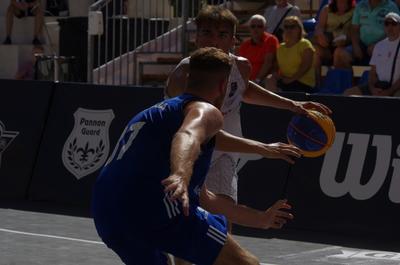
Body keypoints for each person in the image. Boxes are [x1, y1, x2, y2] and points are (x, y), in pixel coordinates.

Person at [91, 47, 294, 265]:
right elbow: (188, 136)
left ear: (189, 78)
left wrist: (260, 219)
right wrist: (180, 174)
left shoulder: (161, 113)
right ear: (223, 85)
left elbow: (207, 197)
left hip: (106, 211)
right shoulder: (206, 111)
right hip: (152, 208)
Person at [344, 12, 400, 97]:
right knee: (348, 94)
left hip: (396, 88)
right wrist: (373, 89)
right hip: (379, 87)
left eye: (394, 24)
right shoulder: (379, 46)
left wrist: (389, 91)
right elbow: (372, 73)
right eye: (387, 24)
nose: (390, 27)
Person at [333, 0, 399, 69]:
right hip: (362, 45)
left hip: (384, 45)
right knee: (339, 54)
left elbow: (395, 31)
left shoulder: (391, 7)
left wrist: (378, 45)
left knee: (378, 53)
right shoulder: (360, 6)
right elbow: (354, 29)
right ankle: (351, 79)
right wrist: (356, 46)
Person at [265, 16, 317, 93]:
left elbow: (305, 66)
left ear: (299, 29)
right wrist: (279, 77)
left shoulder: (305, 44)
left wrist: (291, 79)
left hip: (303, 83)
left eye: (292, 27)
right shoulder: (280, 48)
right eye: (286, 27)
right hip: (286, 81)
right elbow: (276, 68)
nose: (289, 30)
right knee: (270, 79)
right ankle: (273, 104)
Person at [312, 0, 355, 80]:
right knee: (314, 51)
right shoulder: (327, 9)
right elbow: (319, 27)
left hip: (345, 45)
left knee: (338, 53)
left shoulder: (355, 10)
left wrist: (346, 40)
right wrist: (320, 35)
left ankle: (338, 85)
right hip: (328, 44)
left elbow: (355, 30)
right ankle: (317, 84)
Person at [238, 14, 279, 85]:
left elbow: (268, 63)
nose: (256, 29)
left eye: (259, 26)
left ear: (265, 28)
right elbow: (241, 66)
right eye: (253, 26)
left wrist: (257, 80)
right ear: (249, 28)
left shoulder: (271, 40)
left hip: (263, 80)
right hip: (248, 81)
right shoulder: (245, 45)